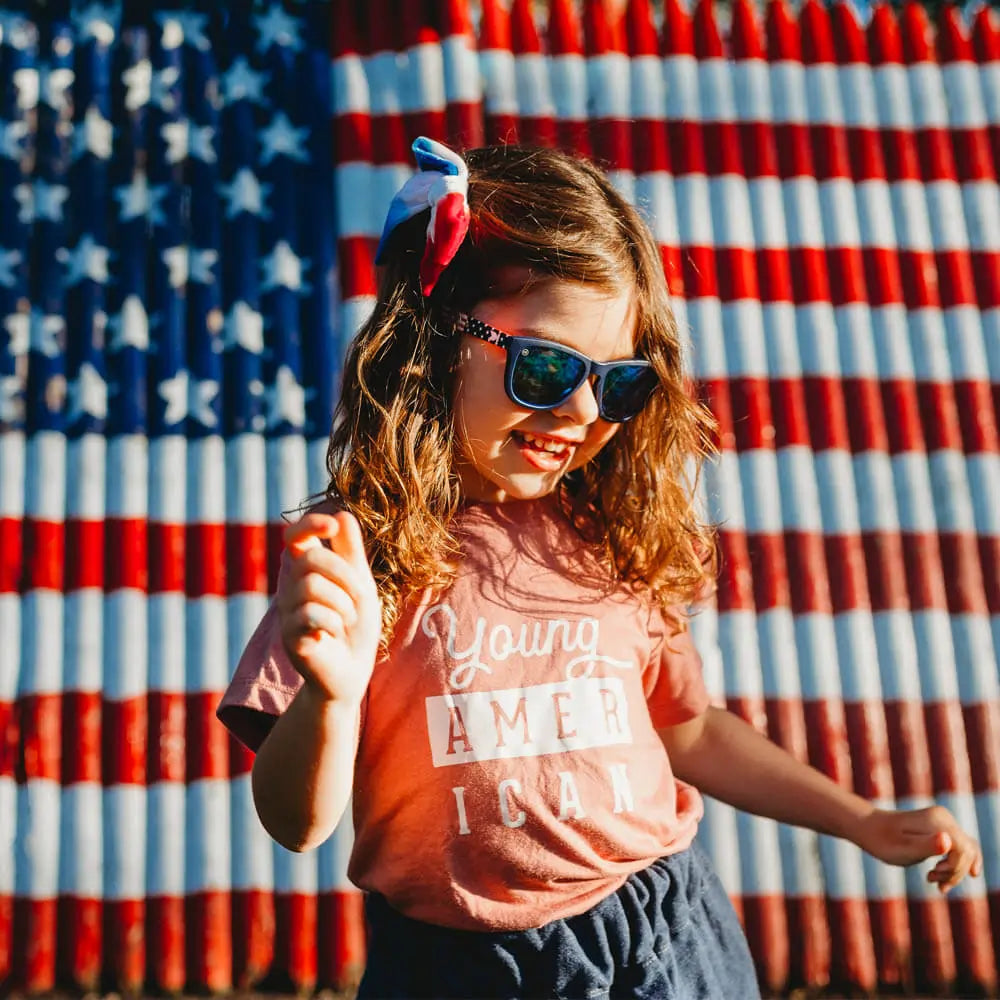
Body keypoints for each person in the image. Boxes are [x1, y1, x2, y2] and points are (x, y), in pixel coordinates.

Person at [218, 137, 982, 999]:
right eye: (544, 368)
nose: (582, 412)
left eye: (617, 384)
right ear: (436, 341)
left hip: (669, 933)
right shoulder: (363, 551)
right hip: (466, 967)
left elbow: (687, 729)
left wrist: (865, 822)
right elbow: (297, 822)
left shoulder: (604, 529)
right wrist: (332, 694)